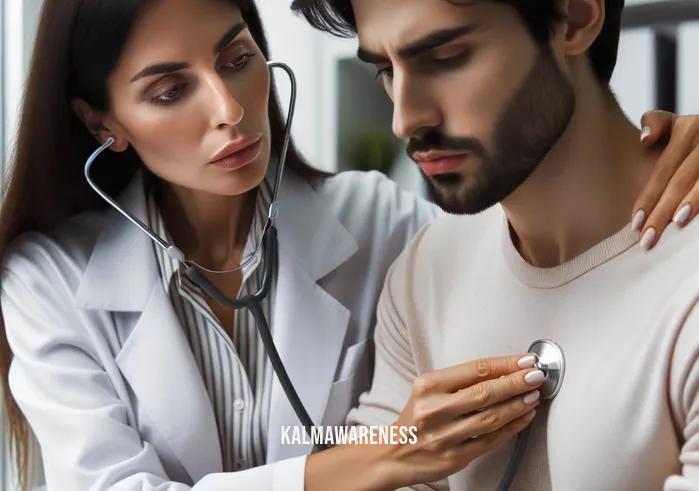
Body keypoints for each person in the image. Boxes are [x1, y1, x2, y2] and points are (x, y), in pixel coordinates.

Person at [0, 0, 696, 490]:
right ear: (102, 123)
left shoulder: (386, 231)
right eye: (169, 90)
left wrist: (671, 140)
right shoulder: (49, 281)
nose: (229, 110)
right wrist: (388, 453)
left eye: (237, 58)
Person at [289, 0, 699, 489]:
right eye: (385, 70)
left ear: (575, 18)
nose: (405, 119)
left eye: (445, 58)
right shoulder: (426, 270)